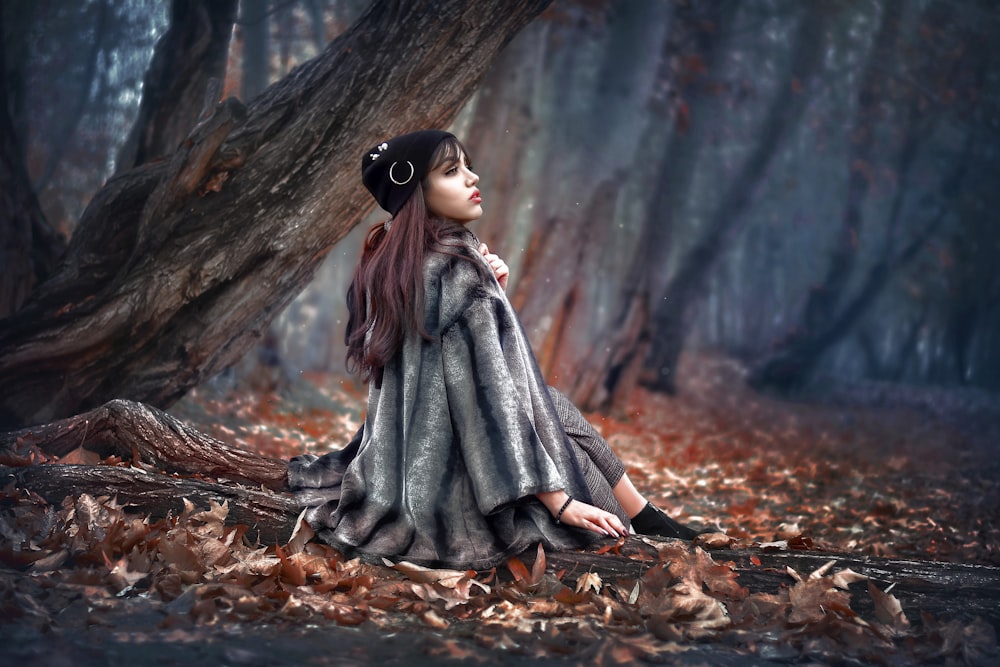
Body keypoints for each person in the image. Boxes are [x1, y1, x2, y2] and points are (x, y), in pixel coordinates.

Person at [288, 130, 701, 569]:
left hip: (402, 468)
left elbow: (450, 370)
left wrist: (494, 296)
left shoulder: (395, 265)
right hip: (463, 488)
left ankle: (647, 513)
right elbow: (489, 403)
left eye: (466, 165)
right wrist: (560, 504)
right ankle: (643, 517)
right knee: (609, 521)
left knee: (552, 403)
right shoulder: (460, 274)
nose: (472, 177)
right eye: (451, 171)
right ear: (417, 192)